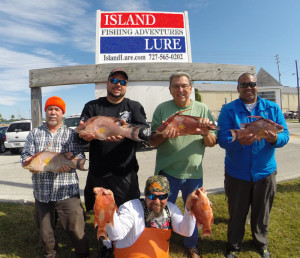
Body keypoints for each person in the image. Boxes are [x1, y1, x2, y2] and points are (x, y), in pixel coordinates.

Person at [78, 68, 150, 256]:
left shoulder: (133, 106)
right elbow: (81, 134)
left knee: (128, 210)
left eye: (123, 82)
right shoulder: (92, 106)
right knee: (101, 211)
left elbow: (144, 132)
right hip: (99, 171)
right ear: (107, 83)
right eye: (114, 80)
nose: (118, 85)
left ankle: (126, 244)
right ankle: (107, 246)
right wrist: (86, 136)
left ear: (126, 86)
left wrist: (128, 130)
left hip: (125, 171)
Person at [217, 73, 289, 258]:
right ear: (238, 88)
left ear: (257, 86)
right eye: (244, 84)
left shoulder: (272, 108)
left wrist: (275, 139)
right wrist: (240, 141)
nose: (248, 87)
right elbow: (223, 139)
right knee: (237, 212)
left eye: (252, 84)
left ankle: (261, 242)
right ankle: (233, 245)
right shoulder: (228, 110)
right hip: (236, 173)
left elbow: (285, 134)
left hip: (265, 172)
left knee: (262, 211)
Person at [149, 72, 217, 258]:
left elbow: (211, 142)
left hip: (193, 172)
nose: (180, 89)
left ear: (190, 88)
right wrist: (163, 134)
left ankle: (191, 245)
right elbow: (152, 141)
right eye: (176, 86)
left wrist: (204, 132)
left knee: (194, 210)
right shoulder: (162, 109)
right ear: (170, 90)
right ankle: (161, 241)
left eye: (184, 86)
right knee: (160, 209)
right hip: (167, 171)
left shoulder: (202, 109)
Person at [20, 96, 89, 258]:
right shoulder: (34, 134)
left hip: (67, 191)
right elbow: (24, 157)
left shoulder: (71, 135)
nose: (53, 112)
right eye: (50, 109)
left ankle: (83, 254)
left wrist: (72, 161)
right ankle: (50, 255)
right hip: (42, 194)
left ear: (62, 113)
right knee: (46, 235)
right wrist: (30, 164)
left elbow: (81, 156)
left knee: (76, 230)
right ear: (45, 112)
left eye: (57, 109)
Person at [95, 175, 197, 258]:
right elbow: (116, 235)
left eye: (162, 197)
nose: (157, 202)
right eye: (152, 196)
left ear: (167, 196)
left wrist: (190, 209)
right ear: (146, 194)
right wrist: (109, 208)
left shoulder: (171, 209)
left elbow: (186, 232)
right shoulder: (131, 207)